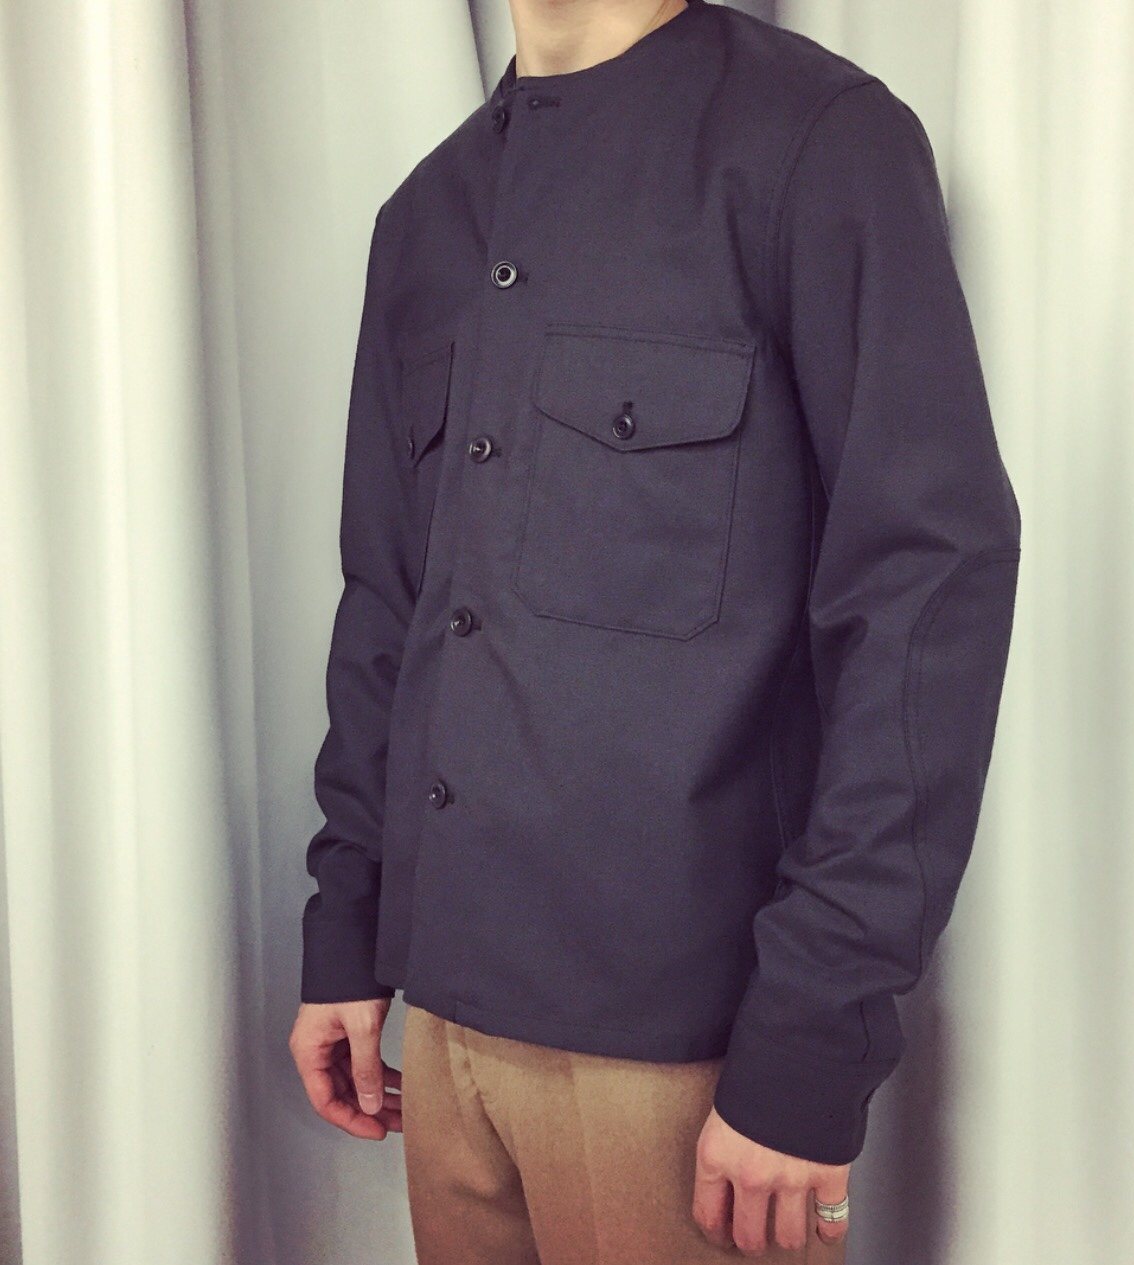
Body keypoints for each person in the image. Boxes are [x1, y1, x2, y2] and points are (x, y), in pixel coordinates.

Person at [288, 0, 1021, 1261]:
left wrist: (809, 1038)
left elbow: (923, 592)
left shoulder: (817, 142)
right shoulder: (424, 215)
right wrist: (343, 929)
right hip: (443, 1035)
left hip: (685, 1064)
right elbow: (386, 600)